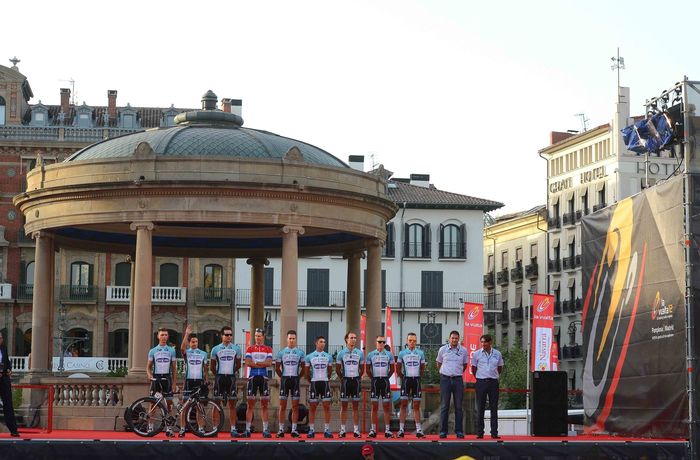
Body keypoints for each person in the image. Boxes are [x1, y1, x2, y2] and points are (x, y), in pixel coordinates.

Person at [210, 325, 242, 438]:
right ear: (222, 336)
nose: (229, 337)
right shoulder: (215, 349)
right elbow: (212, 366)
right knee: (216, 403)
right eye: (226, 335)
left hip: (231, 378)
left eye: (230, 335)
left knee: (232, 404)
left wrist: (232, 371)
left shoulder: (236, 349)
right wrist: (217, 375)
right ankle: (214, 428)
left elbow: (238, 364)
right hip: (219, 377)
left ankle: (233, 429)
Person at [436, 330, 469, 439]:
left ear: (458, 339)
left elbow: (465, 365)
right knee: (444, 406)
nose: (454, 340)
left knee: (458, 406)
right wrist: (446, 373)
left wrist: (456, 372)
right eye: (452, 338)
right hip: (445, 379)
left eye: (456, 338)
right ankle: (443, 431)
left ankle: (459, 431)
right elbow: (438, 363)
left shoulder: (464, 351)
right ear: (449, 339)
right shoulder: (442, 349)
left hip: (458, 380)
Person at [470, 334, 503, 439]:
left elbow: (500, 367)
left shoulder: (497, 354)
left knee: (494, 408)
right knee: (480, 408)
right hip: (481, 382)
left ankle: (494, 432)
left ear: (490, 342)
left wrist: (493, 375)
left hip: (493, 382)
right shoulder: (476, 354)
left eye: (485, 342)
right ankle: (480, 433)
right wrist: (480, 378)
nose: (483, 344)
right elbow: (473, 368)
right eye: (482, 342)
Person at [178, 324, 208, 437]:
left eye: (196, 341)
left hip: (199, 382)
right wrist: (187, 334)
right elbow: (182, 348)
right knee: (184, 406)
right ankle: (182, 428)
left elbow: (205, 369)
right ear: (189, 343)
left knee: (198, 407)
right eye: (192, 342)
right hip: (188, 381)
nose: (195, 343)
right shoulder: (187, 352)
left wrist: (206, 380)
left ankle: (201, 428)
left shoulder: (203, 354)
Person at [147, 328, 178, 436]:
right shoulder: (153, 351)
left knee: (169, 404)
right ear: (158, 336)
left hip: (167, 378)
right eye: (162, 335)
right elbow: (148, 367)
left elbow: (174, 369)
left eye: (165, 335)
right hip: (156, 378)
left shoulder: (172, 350)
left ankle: (169, 428)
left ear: (167, 337)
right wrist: (150, 376)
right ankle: (150, 427)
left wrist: (174, 383)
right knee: (153, 403)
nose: (164, 337)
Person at [275, 330, 305, 438]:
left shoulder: (300, 352)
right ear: (287, 339)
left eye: (293, 339)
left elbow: (303, 368)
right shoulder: (281, 352)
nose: (292, 340)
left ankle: (294, 430)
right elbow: (277, 368)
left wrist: (298, 377)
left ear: (296, 340)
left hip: (295, 380)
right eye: (290, 338)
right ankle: (281, 429)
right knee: (282, 406)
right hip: (285, 380)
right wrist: (282, 377)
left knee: (295, 406)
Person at [244, 327, 273, 438]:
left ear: (263, 337)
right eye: (256, 336)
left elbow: (269, 363)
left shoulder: (268, 349)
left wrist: (255, 362)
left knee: (264, 405)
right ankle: (247, 429)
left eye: (259, 336)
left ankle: (265, 429)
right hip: (252, 378)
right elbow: (247, 362)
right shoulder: (250, 348)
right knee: (250, 404)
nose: (257, 338)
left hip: (264, 378)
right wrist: (261, 363)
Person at [396, 332, 426, 438]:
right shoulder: (402, 353)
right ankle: (401, 429)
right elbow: (398, 368)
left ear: (416, 342)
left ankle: (419, 430)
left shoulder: (420, 353)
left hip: (416, 380)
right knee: (403, 404)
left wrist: (418, 377)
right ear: (407, 341)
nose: (412, 343)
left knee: (416, 406)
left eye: (414, 341)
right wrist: (403, 378)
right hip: (406, 380)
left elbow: (422, 368)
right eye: (410, 341)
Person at [335, 331, 364, 438]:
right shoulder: (341, 353)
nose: (353, 340)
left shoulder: (360, 353)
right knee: (344, 406)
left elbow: (362, 369)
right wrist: (343, 378)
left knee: (356, 406)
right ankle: (342, 430)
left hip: (355, 381)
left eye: (355, 338)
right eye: (351, 338)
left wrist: (357, 377)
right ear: (346, 339)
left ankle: (356, 430)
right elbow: (338, 370)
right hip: (345, 381)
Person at [366, 335, 395, 438]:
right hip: (375, 381)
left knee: (386, 407)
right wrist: (373, 378)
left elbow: (392, 369)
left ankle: (387, 430)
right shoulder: (370, 354)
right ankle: (373, 430)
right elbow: (367, 369)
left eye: (383, 342)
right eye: (379, 342)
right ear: (376, 342)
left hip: (385, 381)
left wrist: (386, 377)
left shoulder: (389, 355)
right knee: (374, 406)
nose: (381, 344)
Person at [304, 335, 333, 439]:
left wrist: (326, 378)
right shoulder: (309, 356)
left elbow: (330, 371)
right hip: (314, 383)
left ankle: (326, 430)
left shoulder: (328, 356)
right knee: (312, 407)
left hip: (324, 382)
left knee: (326, 407)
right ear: (316, 343)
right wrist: (311, 381)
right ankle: (311, 430)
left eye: (324, 342)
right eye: (321, 342)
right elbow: (306, 373)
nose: (323, 344)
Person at [0, 333, 19, 437]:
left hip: (4, 378)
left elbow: (7, 362)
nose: (1, 340)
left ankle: (13, 430)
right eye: (0, 338)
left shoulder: (3, 348)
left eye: (2, 338)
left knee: (8, 404)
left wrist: (9, 369)